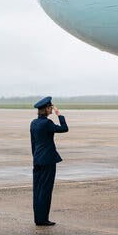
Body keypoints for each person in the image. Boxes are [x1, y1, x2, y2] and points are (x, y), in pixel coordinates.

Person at [30, 96, 69, 226]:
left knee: (37, 189)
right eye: (50, 108)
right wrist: (60, 114)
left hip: (37, 159)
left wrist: (35, 157)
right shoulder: (47, 123)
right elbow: (64, 128)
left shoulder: (33, 123)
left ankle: (38, 218)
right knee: (46, 190)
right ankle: (43, 219)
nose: (51, 109)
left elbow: (33, 143)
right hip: (47, 160)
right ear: (46, 109)